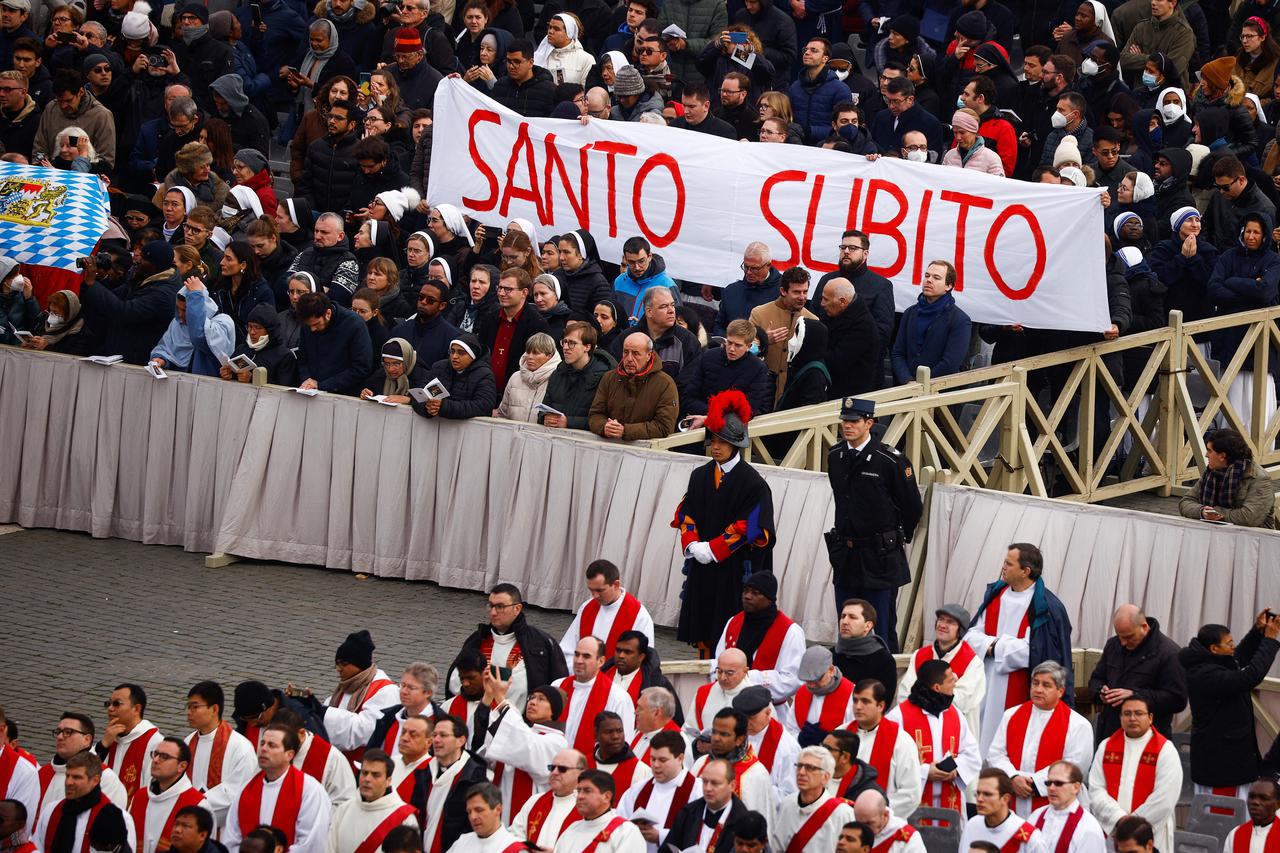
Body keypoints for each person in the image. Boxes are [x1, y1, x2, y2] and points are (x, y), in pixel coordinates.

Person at [672, 391, 776, 655]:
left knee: (730, 634)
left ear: (736, 444)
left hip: (733, 572)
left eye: (723, 441)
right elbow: (686, 514)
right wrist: (693, 544)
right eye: (713, 440)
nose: (715, 446)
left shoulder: (754, 484)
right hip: (702, 569)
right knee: (702, 630)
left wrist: (714, 549)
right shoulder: (700, 475)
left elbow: (752, 527)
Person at [826, 398, 921, 651]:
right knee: (846, 622)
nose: (847, 426)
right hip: (846, 553)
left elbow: (912, 506)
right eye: (845, 421)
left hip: (879, 556)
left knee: (881, 627)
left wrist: (896, 536)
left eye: (854, 421)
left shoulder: (889, 460)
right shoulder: (836, 455)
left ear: (869, 423)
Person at [967, 543, 1076, 754]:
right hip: (985, 681)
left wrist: (991, 645)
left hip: (1019, 685)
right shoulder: (995, 595)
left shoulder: (1046, 607)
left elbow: (1034, 651)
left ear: (1025, 571)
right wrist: (1000, 645)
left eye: (1009, 563)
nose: (1003, 567)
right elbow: (971, 636)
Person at [1178, 615, 1280, 800]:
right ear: (1214, 649)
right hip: (1221, 766)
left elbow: (1238, 658)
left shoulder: (1212, 661)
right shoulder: (1204, 674)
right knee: (1223, 819)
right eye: (1229, 643)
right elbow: (1250, 677)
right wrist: (1269, 640)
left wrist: (1257, 632)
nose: (1233, 646)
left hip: (1233, 760)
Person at [986, 662, 1095, 817]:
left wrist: (1033, 783)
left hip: (1055, 805)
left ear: (1060, 691)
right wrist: (1012, 777)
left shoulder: (1078, 725)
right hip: (1012, 800)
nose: (1038, 689)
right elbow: (995, 754)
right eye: (1035, 683)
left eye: (1046, 685)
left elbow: (1075, 767)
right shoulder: (1011, 715)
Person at [450, 583, 568, 718]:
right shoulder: (478, 639)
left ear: (517, 609)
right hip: (473, 718)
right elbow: (455, 679)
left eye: (500, 607)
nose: (493, 613)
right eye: (491, 606)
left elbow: (557, 687)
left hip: (520, 723)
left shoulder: (540, 644)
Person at [885, 660, 981, 817]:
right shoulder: (898, 716)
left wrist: (956, 769)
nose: (955, 682)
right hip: (913, 807)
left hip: (950, 804)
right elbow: (888, 760)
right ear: (937, 688)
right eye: (951, 679)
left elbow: (972, 754)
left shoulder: (954, 714)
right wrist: (925, 772)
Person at [1087, 695, 1181, 853]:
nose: (1132, 718)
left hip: (1151, 834)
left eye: (1139, 713)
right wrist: (1118, 819)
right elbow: (1096, 790)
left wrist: (1133, 827)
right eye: (1127, 713)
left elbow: (1164, 798)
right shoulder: (1106, 746)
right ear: (1121, 717)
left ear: (1150, 717)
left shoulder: (1165, 749)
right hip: (1113, 831)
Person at [223, 723, 332, 853]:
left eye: (272, 745)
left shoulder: (310, 790)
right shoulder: (246, 789)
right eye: (262, 743)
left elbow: (311, 843)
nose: (263, 749)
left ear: (289, 755)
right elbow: (231, 839)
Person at [1088, 604, 1186, 740]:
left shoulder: (1169, 653)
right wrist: (1100, 692)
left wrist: (1135, 696)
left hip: (1149, 739)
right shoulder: (1113, 645)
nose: (1122, 643)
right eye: (1119, 636)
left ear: (1144, 627)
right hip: (1111, 734)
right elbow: (1096, 679)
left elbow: (1177, 700)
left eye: (1128, 637)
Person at [78, 245, 180, 366]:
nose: (137, 260)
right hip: (117, 349)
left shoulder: (163, 294)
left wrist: (92, 283)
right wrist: (96, 281)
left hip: (137, 359)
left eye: (143, 258)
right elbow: (113, 297)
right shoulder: (143, 278)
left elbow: (123, 311)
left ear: (154, 264)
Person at [712, 573, 804, 704]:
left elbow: (793, 679)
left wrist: (747, 678)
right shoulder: (733, 622)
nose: (747, 596)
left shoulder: (791, 631)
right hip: (726, 704)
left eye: (756, 593)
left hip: (768, 710)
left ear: (770, 599)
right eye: (745, 591)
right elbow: (719, 661)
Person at [182, 681, 257, 828]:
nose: (188, 712)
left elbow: (239, 792)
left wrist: (196, 803)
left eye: (195, 707)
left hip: (223, 831)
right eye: (188, 706)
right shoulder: (188, 741)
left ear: (214, 709)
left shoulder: (239, 747)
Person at [33, 753, 136, 853]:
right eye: (67, 776)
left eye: (76, 777)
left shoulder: (119, 819)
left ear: (95, 780)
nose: (69, 782)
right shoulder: (51, 810)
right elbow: (37, 848)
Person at [559, 561, 655, 666]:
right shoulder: (587, 608)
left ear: (616, 585)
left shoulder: (639, 616)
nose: (595, 596)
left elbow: (642, 660)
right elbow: (566, 650)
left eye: (600, 590)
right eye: (591, 590)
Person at [890, 260, 971, 385]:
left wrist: (922, 385)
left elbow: (950, 363)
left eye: (936, 278)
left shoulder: (960, 320)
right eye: (927, 276)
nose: (929, 280)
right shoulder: (909, 313)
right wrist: (907, 380)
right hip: (905, 390)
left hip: (940, 394)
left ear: (948, 286)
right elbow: (898, 353)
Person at [847, 685, 921, 821]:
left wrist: (874, 812)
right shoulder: (841, 735)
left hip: (882, 823)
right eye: (855, 700)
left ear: (880, 706)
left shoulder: (901, 741)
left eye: (865, 701)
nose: (858, 706)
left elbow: (911, 793)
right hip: (843, 819)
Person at [1179, 428, 1278, 528]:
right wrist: (1202, 512)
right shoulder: (1211, 471)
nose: (1206, 455)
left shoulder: (1259, 479)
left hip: (1254, 538)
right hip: (1215, 534)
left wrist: (1215, 512)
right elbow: (1185, 502)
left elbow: (1248, 518)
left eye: (1209, 451)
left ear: (1222, 456)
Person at [616, 732, 700, 849]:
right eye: (653, 759)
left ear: (680, 758)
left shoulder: (698, 791)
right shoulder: (637, 790)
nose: (655, 765)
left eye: (662, 760)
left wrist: (660, 836)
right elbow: (619, 824)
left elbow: (701, 834)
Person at [587, 333, 679, 440]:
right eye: (626, 352)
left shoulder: (665, 384)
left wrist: (625, 431)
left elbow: (664, 426)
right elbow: (595, 414)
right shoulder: (609, 378)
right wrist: (604, 427)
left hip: (647, 452)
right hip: (611, 449)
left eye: (636, 354)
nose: (629, 358)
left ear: (648, 356)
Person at [326, 748, 418, 853]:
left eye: (375, 775)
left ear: (388, 781)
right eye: (364, 773)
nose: (367, 779)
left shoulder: (404, 819)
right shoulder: (343, 810)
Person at [479, 268, 553, 396]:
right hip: (486, 391)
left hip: (518, 394)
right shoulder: (489, 318)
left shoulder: (537, 324)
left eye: (508, 289)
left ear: (524, 292)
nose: (501, 293)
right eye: (500, 288)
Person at [556, 638, 636, 755]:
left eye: (586, 656)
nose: (579, 660)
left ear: (601, 661)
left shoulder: (618, 697)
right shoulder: (558, 686)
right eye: (577, 654)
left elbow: (623, 745)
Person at [768, 745, 856, 853]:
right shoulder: (787, 804)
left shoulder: (842, 813)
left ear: (826, 777)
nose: (801, 772)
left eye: (810, 768)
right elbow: (776, 847)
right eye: (799, 766)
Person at [128, 739, 207, 853]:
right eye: (155, 754)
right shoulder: (140, 796)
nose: (155, 760)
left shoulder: (198, 805)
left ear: (182, 766)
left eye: (164, 757)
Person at [689, 710, 772, 818]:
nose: (716, 738)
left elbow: (760, 821)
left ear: (739, 739)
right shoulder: (701, 763)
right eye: (714, 732)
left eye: (724, 734)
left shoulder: (756, 774)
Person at [94, 684, 164, 804]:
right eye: (108, 704)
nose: (110, 709)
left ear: (136, 709)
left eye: (116, 704)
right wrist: (103, 745)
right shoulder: (109, 738)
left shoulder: (154, 742)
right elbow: (83, 771)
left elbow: (152, 787)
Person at [540, 321, 616, 430]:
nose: (565, 347)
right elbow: (544, 410)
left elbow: (606, 419)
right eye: (564, 342)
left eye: (572, 343)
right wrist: (545, 418)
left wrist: (569, 422)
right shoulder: (558, 374)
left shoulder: (605, 377)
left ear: (587, 347)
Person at [295, 291, 373, 395]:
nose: (312, 329)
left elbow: (361, 367)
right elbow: (302, 358)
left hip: (344, 394)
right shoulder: (309, 323)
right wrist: (307, 379)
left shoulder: (354, 324)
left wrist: (322, 385)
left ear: (328, 313)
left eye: (316, 324)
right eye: (309, 325)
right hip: (309, 390)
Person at [662, 757, 745, 853]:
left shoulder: (742, 822)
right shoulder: (688, 813)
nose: (708, 788)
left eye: (715, 783)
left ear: (732, 786)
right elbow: (666, 849)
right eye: (705, 782)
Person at [553, 769, 645, 852]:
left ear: (606, 797)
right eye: (579, 791)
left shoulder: (625, 831)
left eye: (587, 791)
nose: (580, 796)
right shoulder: (572, 829)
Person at [818, 278, 881, 398]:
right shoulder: (834, 314)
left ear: (842, 301)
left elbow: (836, 362)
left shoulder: (864, 327)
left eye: (826, 299)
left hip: (849, 401)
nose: (822, 304)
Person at [959, 769, 1049, 853]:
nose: (979, 799)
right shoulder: (971, 825)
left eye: (987, 794)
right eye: (977, 793)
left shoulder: (1030, 838)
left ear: (1005, 799)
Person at [509, 747, 584, 847]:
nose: (555, 772)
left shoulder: (588, 808)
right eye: (552, 768)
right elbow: (514, 838)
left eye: (562, 769)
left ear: (580, 773)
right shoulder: (535, 801)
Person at [412, 335, 498, 420]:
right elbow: (418, 395)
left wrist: (444, 407)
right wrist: (428, 408)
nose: (454, 356)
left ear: (472, 356)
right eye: (452, 351)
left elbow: (484, 406)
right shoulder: (439, 368)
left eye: (461, 353)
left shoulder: (484, 375)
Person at [365, 664, 441, 760]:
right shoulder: (388, 717)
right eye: (403, 685)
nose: (404, 691)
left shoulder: (439, 723)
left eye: (411, 688)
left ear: (428, 692)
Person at [1027, 761, 1105, 853]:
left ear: (1076, 787)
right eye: (1048, 783)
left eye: (1058, 783)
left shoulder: (1088, 827)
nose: (1051, 788)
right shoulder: (1035, 816)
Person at [786, 647, 854, 747]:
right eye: (808, 680)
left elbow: (855, 735)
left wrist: (826, 740)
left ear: (830, 670)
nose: (812, 685)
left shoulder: (851, 695)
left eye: (817, 679)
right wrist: (800, 738)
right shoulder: (802, 692)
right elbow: (791, 729)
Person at [682, 650, 757, 738]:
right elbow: (688, 730)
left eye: (729, 673)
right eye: (719, 671)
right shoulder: (704, 693)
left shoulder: (756, 699)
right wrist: (697, 745)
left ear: (745, 671)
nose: (723, 677)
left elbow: (760, 738)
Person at [833, 599, 897, 696]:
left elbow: (882, 703)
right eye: (843, 616)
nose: (845, 621)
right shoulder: (831, 655)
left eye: (852, 617)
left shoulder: (883, 661)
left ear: (868, 626)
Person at [712, 244, 779, 337]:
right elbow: (719, 326)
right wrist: (726, 341)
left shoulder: (782, 292)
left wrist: (763, 341)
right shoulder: (731, 291)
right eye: (746, 267)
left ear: (768, 266)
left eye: (755, 268)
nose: (749, 272)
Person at [490, 38, 556, 117]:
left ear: (531, 62)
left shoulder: (548, 90)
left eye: (517, 62)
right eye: (508, 61)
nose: (511, 66)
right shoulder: (500, 86)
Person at [853, 790, 924, 853]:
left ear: (885, 815)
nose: (863, 829)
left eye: (869, 823)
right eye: (859, 823)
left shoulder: (908, 839)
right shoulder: (849, 829)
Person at [629, 686, 686, 763]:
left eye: (640, 708)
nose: (635, 712)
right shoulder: (639, 732)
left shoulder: (678, 741)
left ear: (656, 713)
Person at [1222, 779, 1280, 853]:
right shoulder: (1235, 834)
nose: (1255, 802)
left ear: (1278, 804)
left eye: (1264, 798)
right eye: (1252, 797)